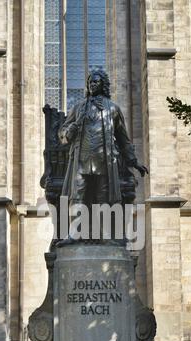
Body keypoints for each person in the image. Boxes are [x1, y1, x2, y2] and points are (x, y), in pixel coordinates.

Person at [57, 69, 148, 245]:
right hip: (81, 160)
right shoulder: (78, 108)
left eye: (96, 82)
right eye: (90, 82)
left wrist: (134, 162)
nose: (92, 85)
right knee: (77, 196)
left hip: (104, 161)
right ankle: (73, 235)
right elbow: (63, 135)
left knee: (103, 198)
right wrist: (75, 125)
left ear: (103, 85)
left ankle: (105, 236)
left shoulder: (113, 109)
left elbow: (123, 139)